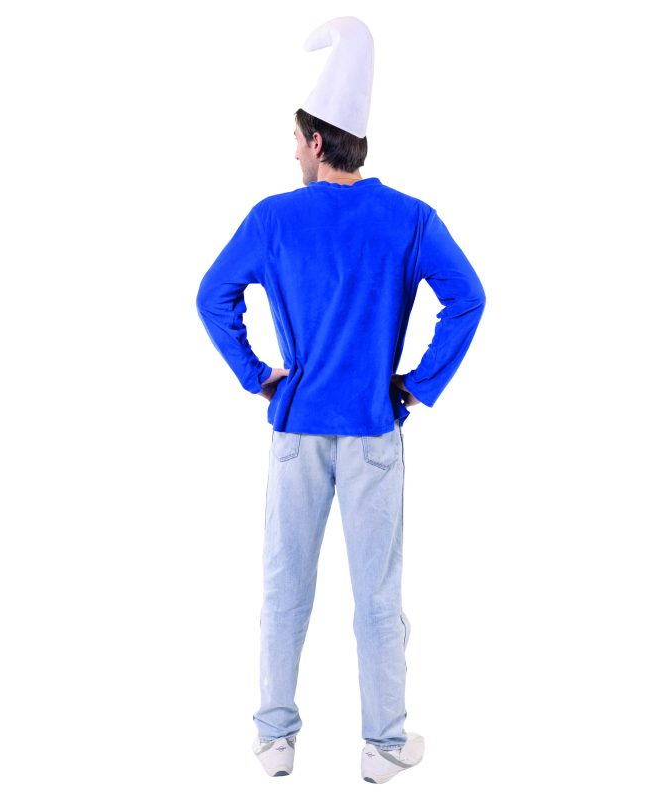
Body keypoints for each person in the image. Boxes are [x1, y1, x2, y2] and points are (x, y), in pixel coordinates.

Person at [195, 16, 486, 784]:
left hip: (296, 430)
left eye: (296, 140)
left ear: (319, 141)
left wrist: (259, 375)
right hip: (372, 431)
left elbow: (213, 295)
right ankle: (384, 747)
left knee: (284, 586)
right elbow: (468, 298)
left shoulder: (274, 218)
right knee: (378, 596)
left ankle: (274, 739)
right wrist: (417, 385)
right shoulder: (409, 218)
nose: (293, 152)